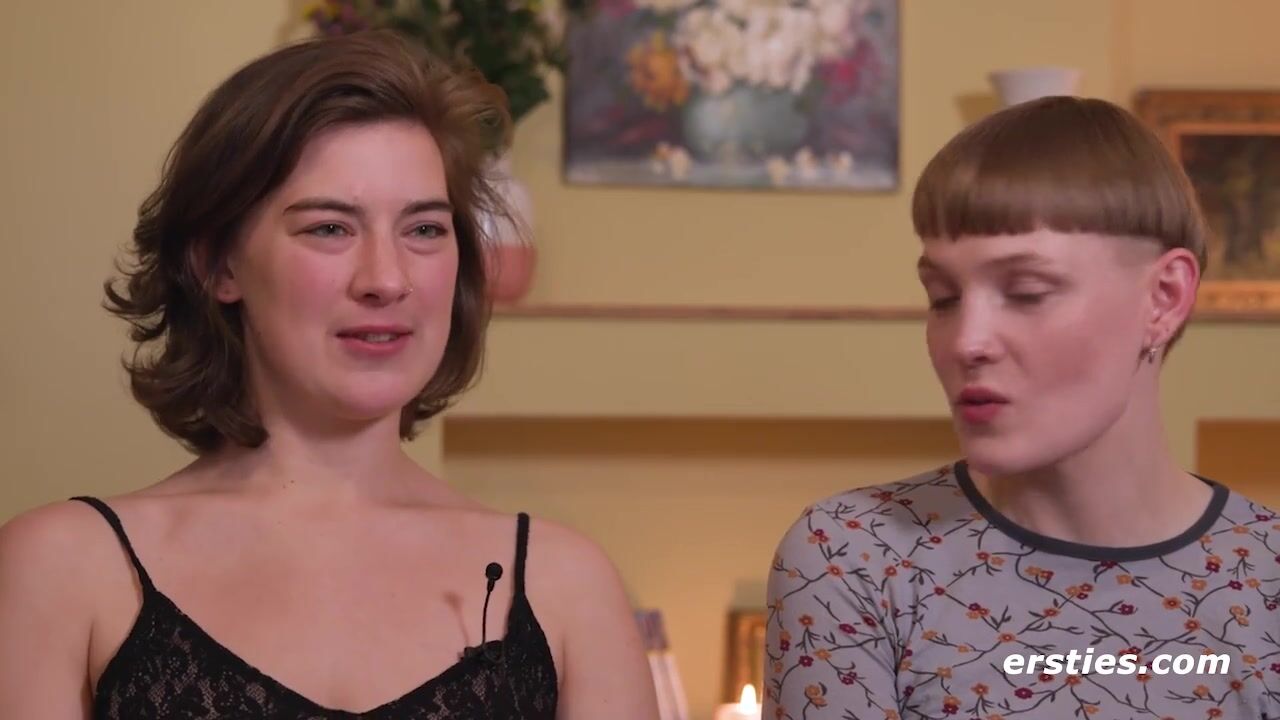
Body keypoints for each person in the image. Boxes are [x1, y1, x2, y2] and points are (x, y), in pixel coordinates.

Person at [0, 31, 659, 719]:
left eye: (424, 230)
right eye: (329, 228)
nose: (387, 279)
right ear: (217, 264)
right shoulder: (65, 568)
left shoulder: (567, 588)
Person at [763, 96, 1279, 719]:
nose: (967, 342)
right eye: (944, 297)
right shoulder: (856, 558)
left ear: (1164, 298)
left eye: (1027, 292)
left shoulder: (1268, 580)